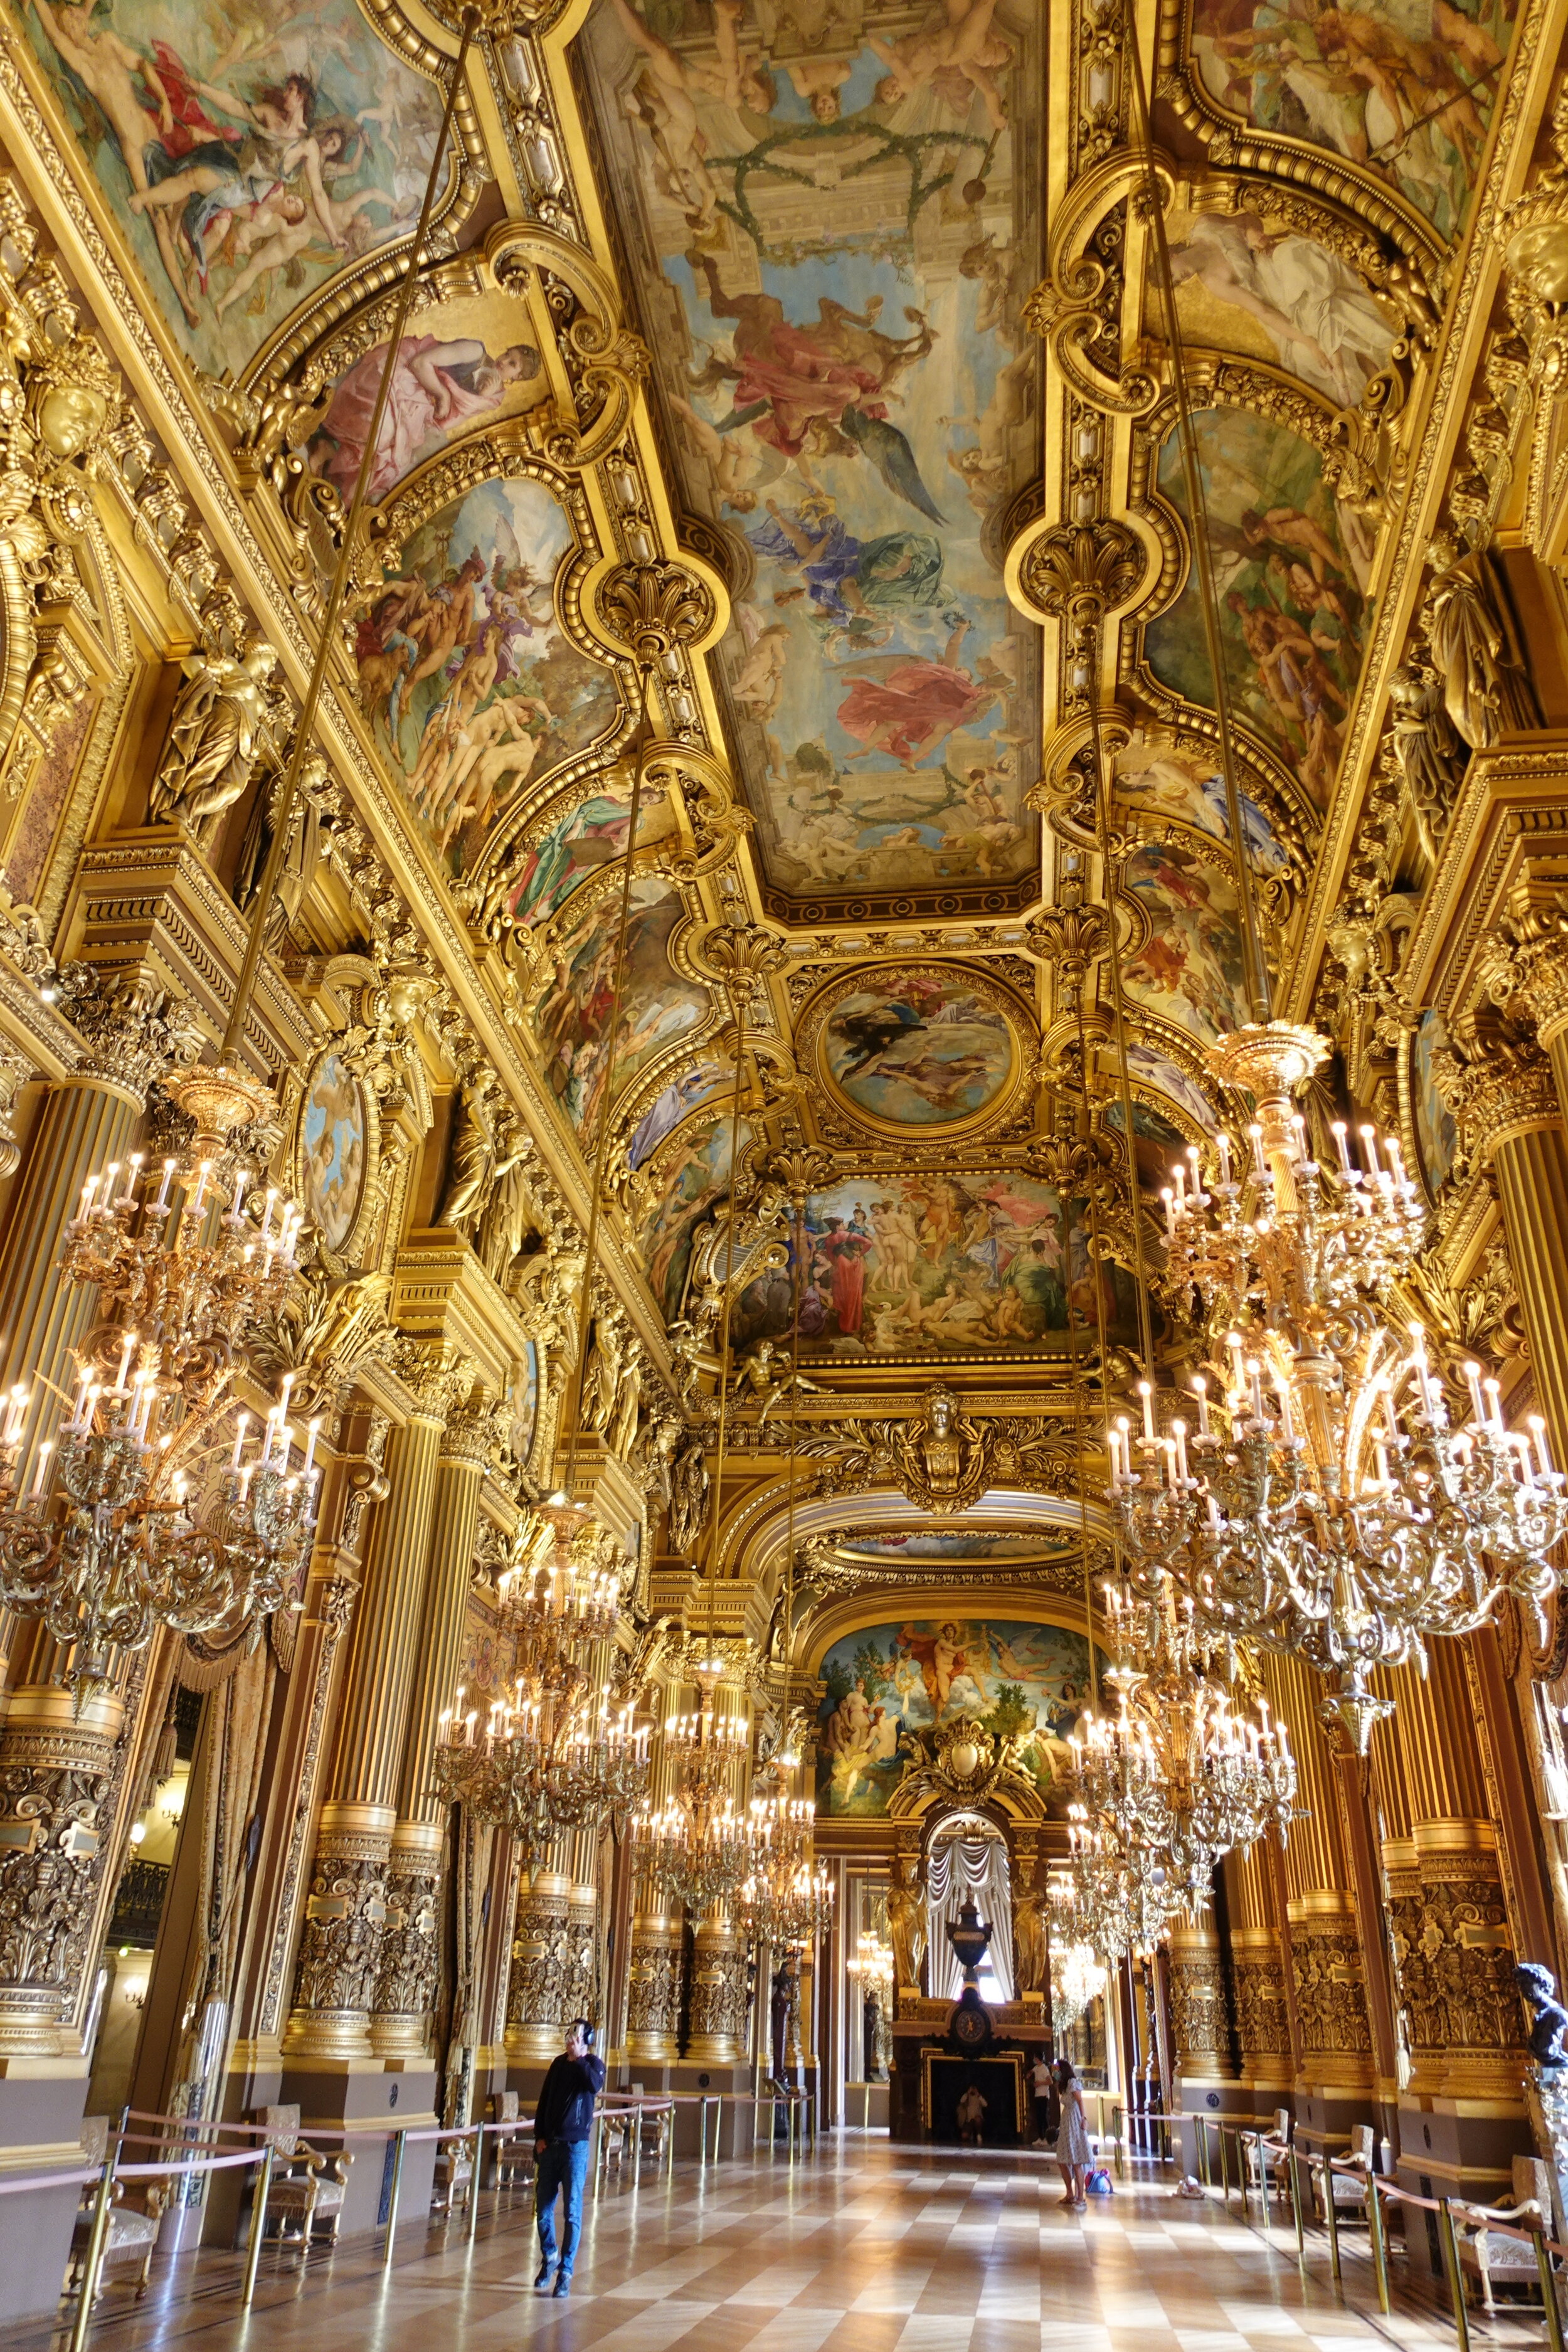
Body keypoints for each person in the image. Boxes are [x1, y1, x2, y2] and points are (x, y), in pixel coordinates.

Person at [533, 2018, 605, 2297]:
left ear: (586, 2039)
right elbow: (545, 2100)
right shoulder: (557, 2064)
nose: (570, 2040)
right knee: (543, 2209)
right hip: (550, 2146)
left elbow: (593, 2085)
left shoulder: (594, 2065)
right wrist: (539, 2136)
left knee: (573, 2210)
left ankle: (566, 2271)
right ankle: (549, 2254)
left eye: (576, 2036)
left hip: (576, 2148)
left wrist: (579, 2060)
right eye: (570, 2035)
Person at [1054, 2056, 1093, 2210]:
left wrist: (1083, 2119)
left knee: (1076, 2160)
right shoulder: (1063, 2085)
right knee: (1063, 2159)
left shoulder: (1072, 2083)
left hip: (1074, 2121)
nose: (1055, 2072)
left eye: (1057, 2070)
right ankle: (1070, 2193)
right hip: (1066, 2122)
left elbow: (1080, 2101)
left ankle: (1080, 2196)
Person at [1030, 2051, 1056, 2149]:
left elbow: (1050, 2081)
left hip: (1044, 2095)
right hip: (1037, 2095)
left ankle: (1047, 2138)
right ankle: (1040, 2137)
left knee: (1044, 2117)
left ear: (1037, 2059)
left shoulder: (1044, 2068)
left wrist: (1039, 2083)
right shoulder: (1036, 2068)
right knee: (1039, 2117)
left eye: (1034, 2058)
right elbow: (1031, 2072)